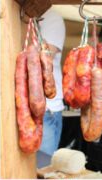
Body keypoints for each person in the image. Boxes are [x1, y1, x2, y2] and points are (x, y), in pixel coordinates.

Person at [38, 9, 66, 157]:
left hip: (48, 109)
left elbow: (47, 56)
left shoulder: (51, 17)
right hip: (27, 107)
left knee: (42, 165)